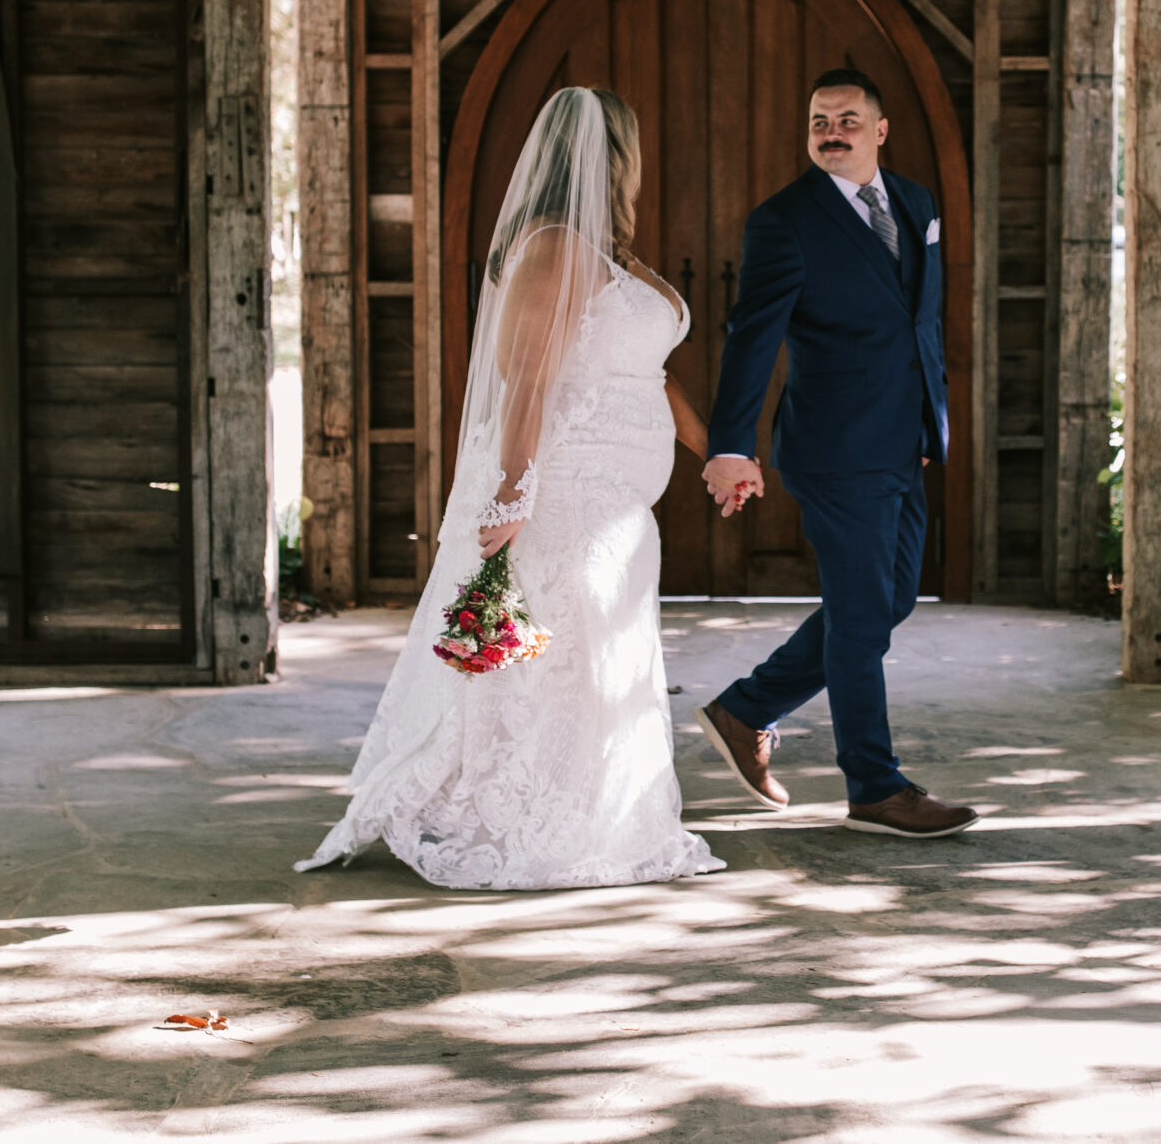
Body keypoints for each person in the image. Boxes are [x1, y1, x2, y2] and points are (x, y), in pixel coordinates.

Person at [298, 87, 725, 890]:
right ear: (614, 160)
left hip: (622, 507)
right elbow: (526, 383)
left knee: (607, 660)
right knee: (566, 666)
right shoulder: (555, 248)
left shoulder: (613, 254)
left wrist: (713, 449)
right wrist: (511, 497)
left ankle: (607, 811)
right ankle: (534, 819)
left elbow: (649, 374)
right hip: (567, 491)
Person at [694, 69, 979, 839]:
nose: (832, 131)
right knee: (860, 618)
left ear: (879, 130)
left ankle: (745, 707)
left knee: (886, 604)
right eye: (820, 119)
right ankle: (876, 785)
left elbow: (920, 323)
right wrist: (729, 444)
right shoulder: (783, 221)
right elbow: (750, 339)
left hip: (904, 440)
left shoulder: (916, 203)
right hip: (834, 445)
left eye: (849, 118)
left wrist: (929, 424)